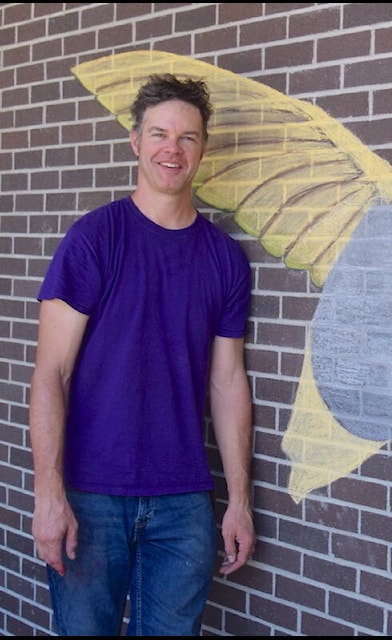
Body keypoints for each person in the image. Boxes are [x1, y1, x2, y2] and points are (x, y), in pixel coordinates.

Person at [28, 72, 256, 636]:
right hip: (90, 496)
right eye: (159, 134)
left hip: (183, 505)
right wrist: (49, 496)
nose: (171, 150)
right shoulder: (93, 240)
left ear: (202, 148)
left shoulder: (225, 260)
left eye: (187, 137)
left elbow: (227, 383)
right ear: (136, 141)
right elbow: (50, 374)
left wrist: (239, 500)